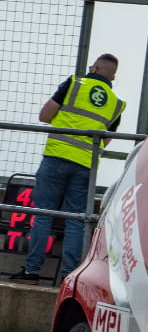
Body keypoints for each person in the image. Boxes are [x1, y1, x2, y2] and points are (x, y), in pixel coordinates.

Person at [9, 55, 125, 284]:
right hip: (85, 166)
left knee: (43, 215)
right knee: (76, 219)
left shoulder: (73, 84)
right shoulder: (116, 102)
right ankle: (68, 278)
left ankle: (31, 272)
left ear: (94, 67)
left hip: (56, 158)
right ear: (112, 76)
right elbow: (104, 141)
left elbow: (45, 115)